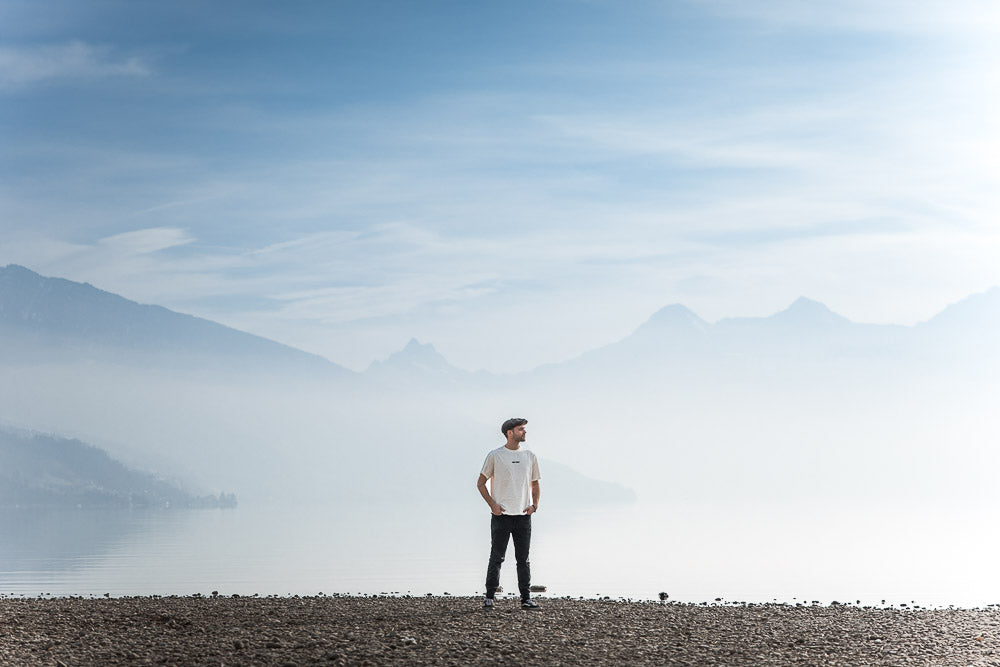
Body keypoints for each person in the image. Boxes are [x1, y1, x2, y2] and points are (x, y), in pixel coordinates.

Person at [477, 417, 541, 610]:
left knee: (523, 559)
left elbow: (535, 483)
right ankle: (489, 597)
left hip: (523, 516)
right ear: (509, 433)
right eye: (521, 429)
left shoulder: (530, 456)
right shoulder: (495, 455)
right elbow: (480, 483)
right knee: (497, 557)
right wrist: (492, 505)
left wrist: (534, 505)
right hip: (501, 517)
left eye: (524, 429)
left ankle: (526, 599)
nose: (525, 432)